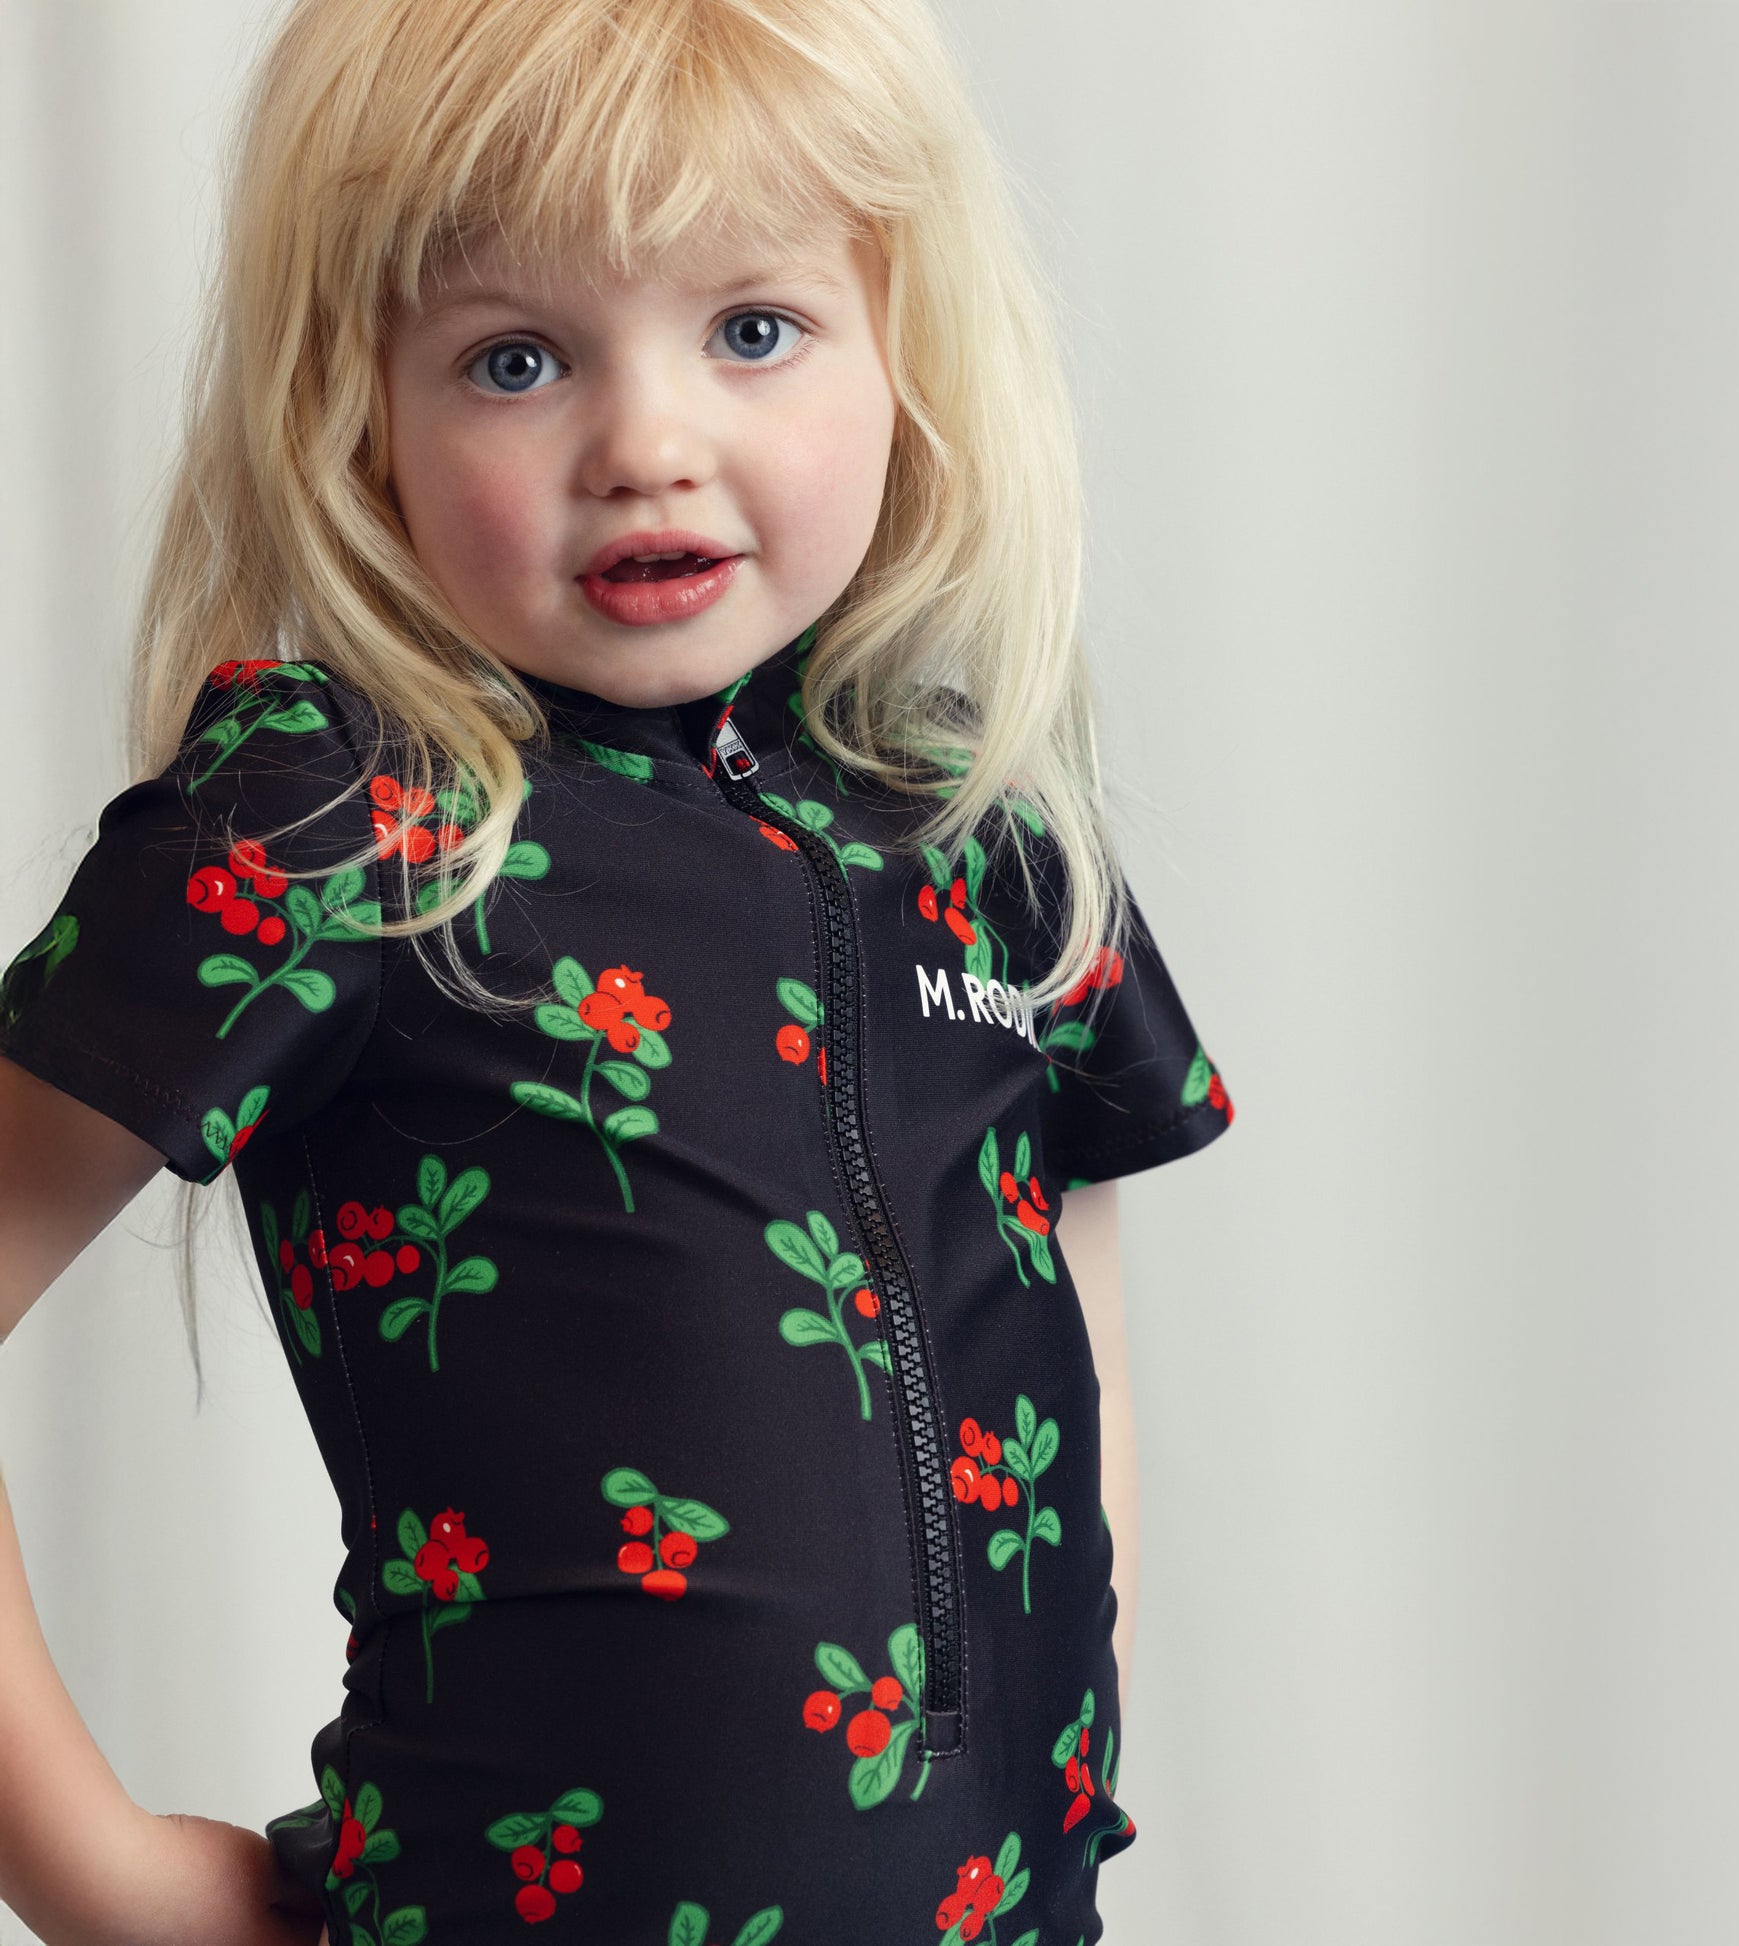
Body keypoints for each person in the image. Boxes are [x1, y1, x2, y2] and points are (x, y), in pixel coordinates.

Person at [0, 1, 1237, 1940]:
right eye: (515, 355)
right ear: (360, 409)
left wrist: (1038, 1824)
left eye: (752, 328)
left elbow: (1057, 1263)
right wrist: (99, 1884)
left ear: (899, 337)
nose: (648, 442)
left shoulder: (980, 814)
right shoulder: (344, 813)